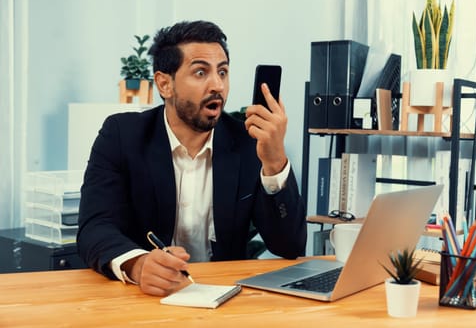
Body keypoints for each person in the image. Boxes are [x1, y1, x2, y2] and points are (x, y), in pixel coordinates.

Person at [77, 20, 307, 296]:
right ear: (165, 84)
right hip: (144, 296)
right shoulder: (121, 135)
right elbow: (95, 227)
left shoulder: (248, 144)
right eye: (201, 72)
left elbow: (290, 246)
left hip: (224, 296)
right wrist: (138, 264)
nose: (217, 85)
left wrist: (274, 162)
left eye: (223, 72)